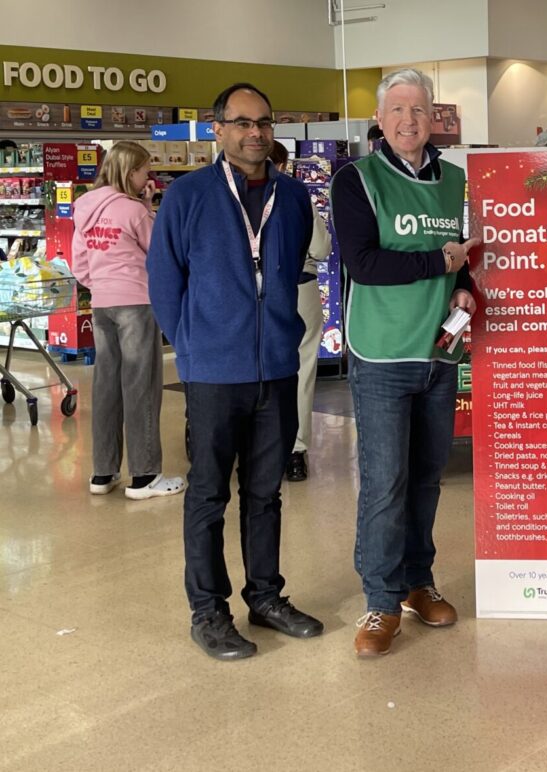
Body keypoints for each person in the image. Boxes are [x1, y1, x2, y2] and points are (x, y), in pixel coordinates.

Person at [148, 83, 323, 660]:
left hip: (274, 365)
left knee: (265, 492)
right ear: (217, 129)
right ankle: (208, 611)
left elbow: (292, 267)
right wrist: (194, 345)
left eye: (264, 123)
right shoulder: (188, 195)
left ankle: (266, 597)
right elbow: (165, 280)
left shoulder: (294, 197)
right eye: (243, 123)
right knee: (207, 494)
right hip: (214, 371)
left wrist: (279, 333)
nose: (255, 133)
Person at [331, 68, 479, 657]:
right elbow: (364, 264)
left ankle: (419, 582)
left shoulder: (457, 182)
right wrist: (437, 266)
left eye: (418, 110)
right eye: (397, 110)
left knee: (425, 478)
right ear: (380, 117)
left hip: (440, 353)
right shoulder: (357, 180)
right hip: (383, 352)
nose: (408, 121)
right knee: (386, 481)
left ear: (433, 117)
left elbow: (462, 255)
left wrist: (463, 283)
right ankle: (380, 600)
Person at [71, 141, 185, 500]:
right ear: (128, 171)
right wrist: (148, 212)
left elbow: (80, 264)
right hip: (136, 302)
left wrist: (103, 285)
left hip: (102, 305)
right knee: (141, 386)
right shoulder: (133, 211)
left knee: (106, 388)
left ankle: (103, 473)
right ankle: (145, 476)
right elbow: (160, 253)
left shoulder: (85, 209)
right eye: (142, 171)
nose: (146, 177)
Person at [268, 141, 333, 482]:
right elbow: (322, 248)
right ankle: (295, 451)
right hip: (300, 287)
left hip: (255, 292)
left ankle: (258, 448)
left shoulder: (236, 200)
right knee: (303, 369)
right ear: (283, 165)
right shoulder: (299, 198)